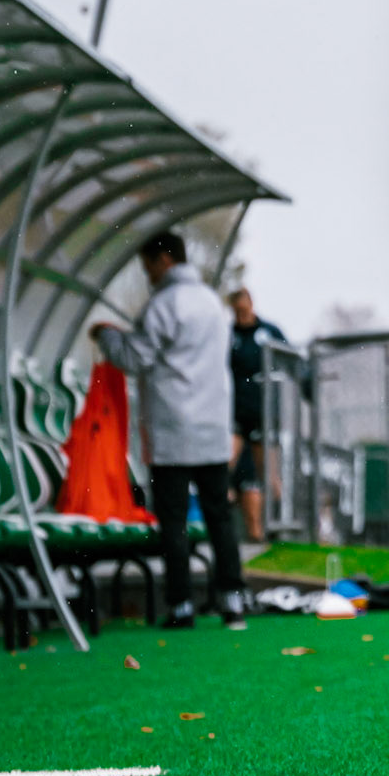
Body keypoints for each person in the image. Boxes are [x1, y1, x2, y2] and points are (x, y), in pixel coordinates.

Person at [91, 231, 246, 628]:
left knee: (173, 520)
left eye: (148, 267)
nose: (148, 277)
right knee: (219, 518)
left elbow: (136, 357)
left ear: (163, 260)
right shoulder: (213, 304)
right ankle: (233, 600)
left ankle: (181, 605)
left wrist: (107, 336)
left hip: (174, 430)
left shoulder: (163, 305)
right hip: (212, 426)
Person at [228, 287, 288, 544]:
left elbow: (291, 360)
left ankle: (280, 524)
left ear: (251, 304)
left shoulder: (269, 333)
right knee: (225, 461)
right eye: (237, 312)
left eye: (244, 310)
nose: (241, 316)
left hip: (264, 413)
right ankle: (225, 500)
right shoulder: (229, 336)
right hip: (236, 412)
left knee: (269, 472)